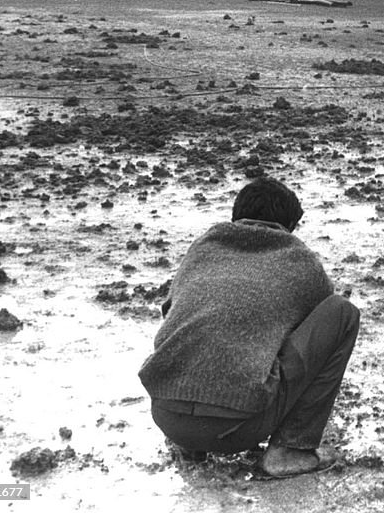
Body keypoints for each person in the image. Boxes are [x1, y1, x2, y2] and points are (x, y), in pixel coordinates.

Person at [138, 176, 360, 477]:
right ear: (288, 225)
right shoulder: (299, 259)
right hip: (238, 428)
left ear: (237, 216)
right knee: (342, 313)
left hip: (166, 416)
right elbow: (317, 326)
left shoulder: (202, 248)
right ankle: (290, 450)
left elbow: (172, 312)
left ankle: (190, 447)